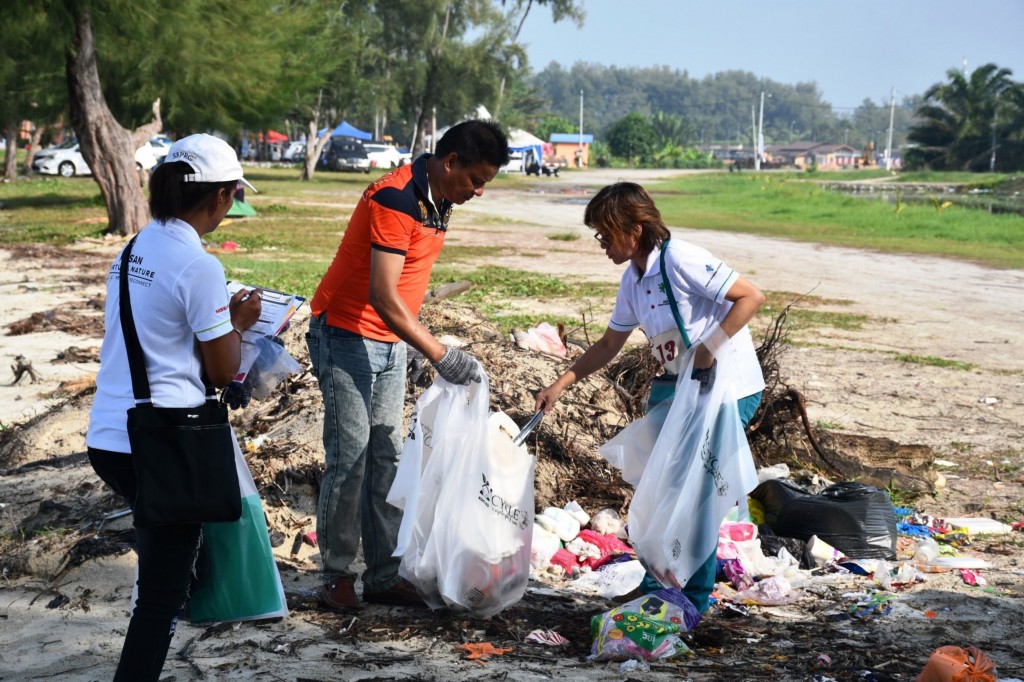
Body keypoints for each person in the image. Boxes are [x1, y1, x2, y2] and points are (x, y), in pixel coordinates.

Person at [535, 181, 766, 614]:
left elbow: (750, 297)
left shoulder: (681, 259)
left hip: (727, 389)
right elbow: (609, 344)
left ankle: (690, 599)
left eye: (606, 234)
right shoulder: (633, 280)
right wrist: (559, 385)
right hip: (686, 391)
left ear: (635, 228)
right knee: (664, 489)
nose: (602, 244)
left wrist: (710, 346)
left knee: (696, 496)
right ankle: (657, 583)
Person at [306, 119, 510, 610]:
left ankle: (382, 576)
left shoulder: (440, 199)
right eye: (475, 180)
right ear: (450, 162)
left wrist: (417, 342)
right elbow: (382, 295)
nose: (479, 191)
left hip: (390, 342)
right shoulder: (395, 198)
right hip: (345, 334)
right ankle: (335, 575)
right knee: (350, 458)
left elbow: (407, 281)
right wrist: (441, 354)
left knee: (387, 457)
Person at [85, 133, 263, 681]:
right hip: (165, 442)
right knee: (162, 598)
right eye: (234, 195)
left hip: (111, 434)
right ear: (221, 196)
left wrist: (217, 319)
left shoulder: (135, 247)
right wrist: (238, 323)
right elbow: (221, 370)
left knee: (162, 564)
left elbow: (155, 333)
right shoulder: (198, 265)